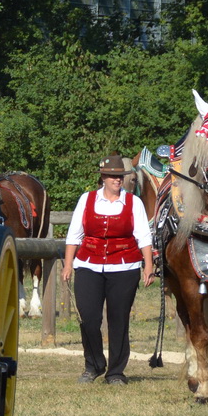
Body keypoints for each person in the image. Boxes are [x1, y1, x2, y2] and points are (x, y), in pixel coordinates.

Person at [60, 153, 156, 384]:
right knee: (88, 318)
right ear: (103, 177)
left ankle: (115, 372)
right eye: (113, 177)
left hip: (124, 266)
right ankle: (93, 365)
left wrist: (148, 265)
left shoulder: (133, 203)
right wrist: (68, 264)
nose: (117, 180)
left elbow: (143, 236)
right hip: (88, 264)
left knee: (118, 319)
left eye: (120, 176)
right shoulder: (87, 199)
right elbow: (74, 234)